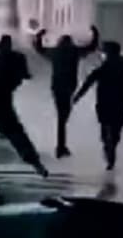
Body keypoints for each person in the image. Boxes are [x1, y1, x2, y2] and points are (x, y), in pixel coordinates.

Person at [34, 26, 100, 158]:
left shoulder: (55, 53)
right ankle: (61, 146)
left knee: (62, 116)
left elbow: (39, 49)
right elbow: (91, 47)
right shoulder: (74, 51)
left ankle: (61, 145)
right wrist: (95, 33)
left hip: (57, 86)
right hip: (69, 86)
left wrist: (39, 36)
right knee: (63, 116)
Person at [73, 41, 123, 170]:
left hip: (104, 103)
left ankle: (109, 152)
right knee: (116, 131)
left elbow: (88, 82)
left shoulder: (104, 67)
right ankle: (111, 150)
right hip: (120, 103)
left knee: (105, 129)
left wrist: (77, 97)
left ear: (107, 53)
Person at [0, 35, 48, 177]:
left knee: (10, 126)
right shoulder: (14, 59)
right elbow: (24, 75)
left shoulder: (2, 60)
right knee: (13, 129)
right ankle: (35, 163)